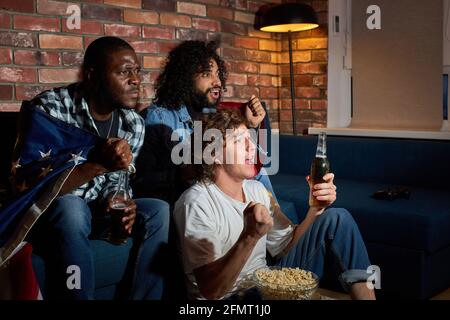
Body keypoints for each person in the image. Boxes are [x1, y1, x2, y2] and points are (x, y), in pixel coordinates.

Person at [14, 36, 169, 300]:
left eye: (137, 72)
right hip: (52, 213)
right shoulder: (51, 108)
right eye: (123, 72)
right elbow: (30, 185)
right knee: (71, 206)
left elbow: (118, 181)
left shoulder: (134, 124)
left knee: (158, 210)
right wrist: (99, 164)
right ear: (92, 75)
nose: (135, 80)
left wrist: (120, 202)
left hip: (96, 210)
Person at [173, 109, 376, 300]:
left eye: (250, 140)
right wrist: (250, 236)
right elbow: (211, 290)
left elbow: (285, 246)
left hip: (267, 283)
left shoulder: (256, 189)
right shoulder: (196, 202)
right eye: (239, 141)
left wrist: (316, 208)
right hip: (233, 298)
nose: (252, 147)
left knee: (337, 218)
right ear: (214, 153)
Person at [133, 40, 274, 206]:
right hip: (185, 202)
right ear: (184, 78)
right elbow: (140, 179)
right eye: (207, 74)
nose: (218, 83)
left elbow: (247, 162)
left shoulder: (214, 117)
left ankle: (279, 226)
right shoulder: (159, 118)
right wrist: (183, 173)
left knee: (259, 173)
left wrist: (250, 125)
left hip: (215, 194)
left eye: (218, 74)